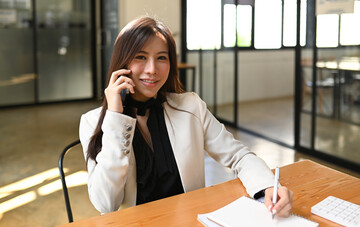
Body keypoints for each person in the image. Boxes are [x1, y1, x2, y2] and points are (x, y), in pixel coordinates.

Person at [79, 16, 293, 216]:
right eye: (140, 57)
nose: (152, 69)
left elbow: (238, 155)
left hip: (191, 224)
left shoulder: (190, 106)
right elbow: (107, 204)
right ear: (122, 64)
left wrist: (267, 186)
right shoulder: (92, 122)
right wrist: (115, 117)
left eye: (161, 58)